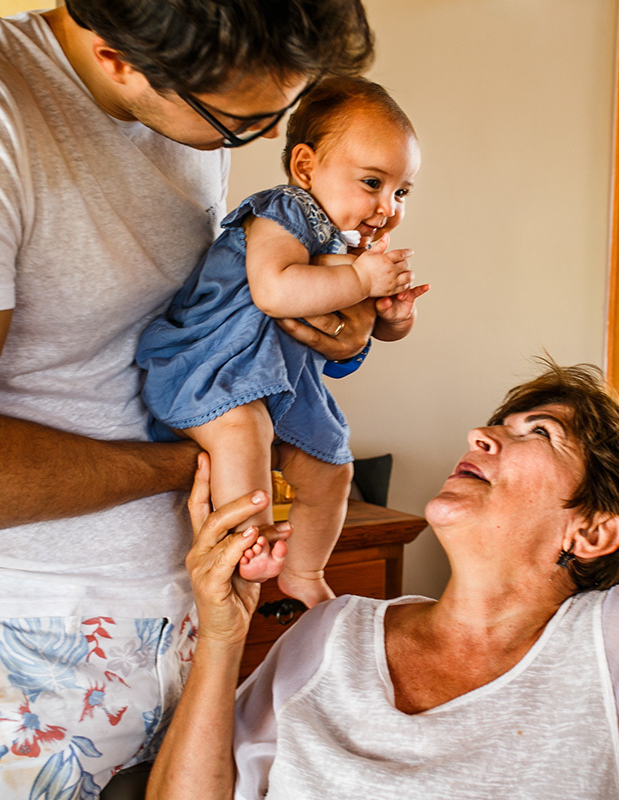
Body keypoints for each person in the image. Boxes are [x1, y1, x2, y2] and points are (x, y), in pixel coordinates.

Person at [0, 1, 383, 796]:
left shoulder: (182, 97)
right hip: (15, 638)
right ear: (117, 56)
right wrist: (202, 462)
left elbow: (178, 322)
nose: (268, 140)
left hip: (189, 616)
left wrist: (330, 319)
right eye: (242, 124)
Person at [148, 362, 619, 799]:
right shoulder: (329, 632)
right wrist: (223, 635)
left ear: (590, 532)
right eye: (499, 424)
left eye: (540, 433)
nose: (481, 435)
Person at [136, 77, 427, 608]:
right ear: (305, 167)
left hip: (281, 381)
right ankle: (251, 542)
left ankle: (305, 572)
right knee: (242, 433)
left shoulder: (347, 246)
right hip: (213, 366)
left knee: (332, 466)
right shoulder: (286, 210)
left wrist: (394, 316)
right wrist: (361, 280)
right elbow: (274, 291)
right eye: (372, 182)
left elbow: (361, 331)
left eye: (401, 191)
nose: (387, 206)